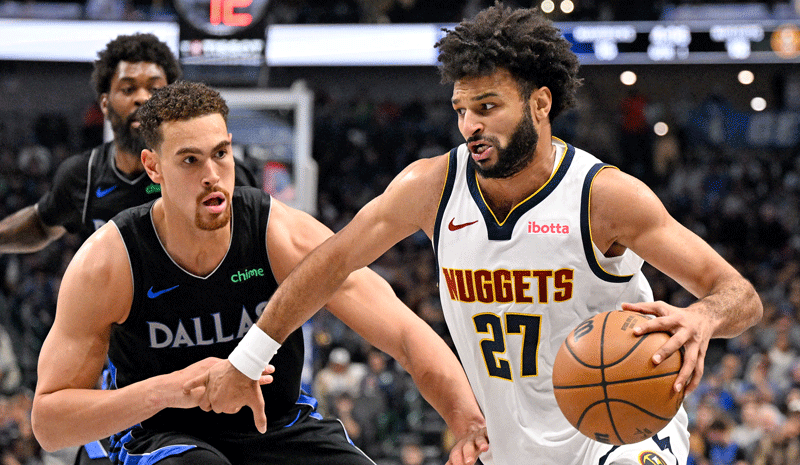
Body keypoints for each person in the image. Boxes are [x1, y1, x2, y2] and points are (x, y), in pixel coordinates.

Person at [190, 4, 763, 465]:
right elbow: (330, 263)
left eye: (488, 107)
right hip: (509, 447)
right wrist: (249, 356)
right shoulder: (431, 187)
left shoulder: (603, 197)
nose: (470, 126)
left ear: (541, 104)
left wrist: (703, 318)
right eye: (461, 109)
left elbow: (739, 294)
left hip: (620, 433)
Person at [30, 81, 487, 465]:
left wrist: (465, 418)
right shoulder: (109, 262)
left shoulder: (278, 233)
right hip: (161, 435)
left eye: (221, 154)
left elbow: (405, 333)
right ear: (153, 167)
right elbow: (49, 423)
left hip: (276, 425)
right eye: (190, 160)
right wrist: (170, 390)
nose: (212, 175)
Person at [0, 33, 255, 254]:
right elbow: (42, 224)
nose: (142, 99)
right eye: (128, 89)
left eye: (155, 90)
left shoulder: (219, 173)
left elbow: (263, 237)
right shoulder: (84, 176)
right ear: (104, 103)